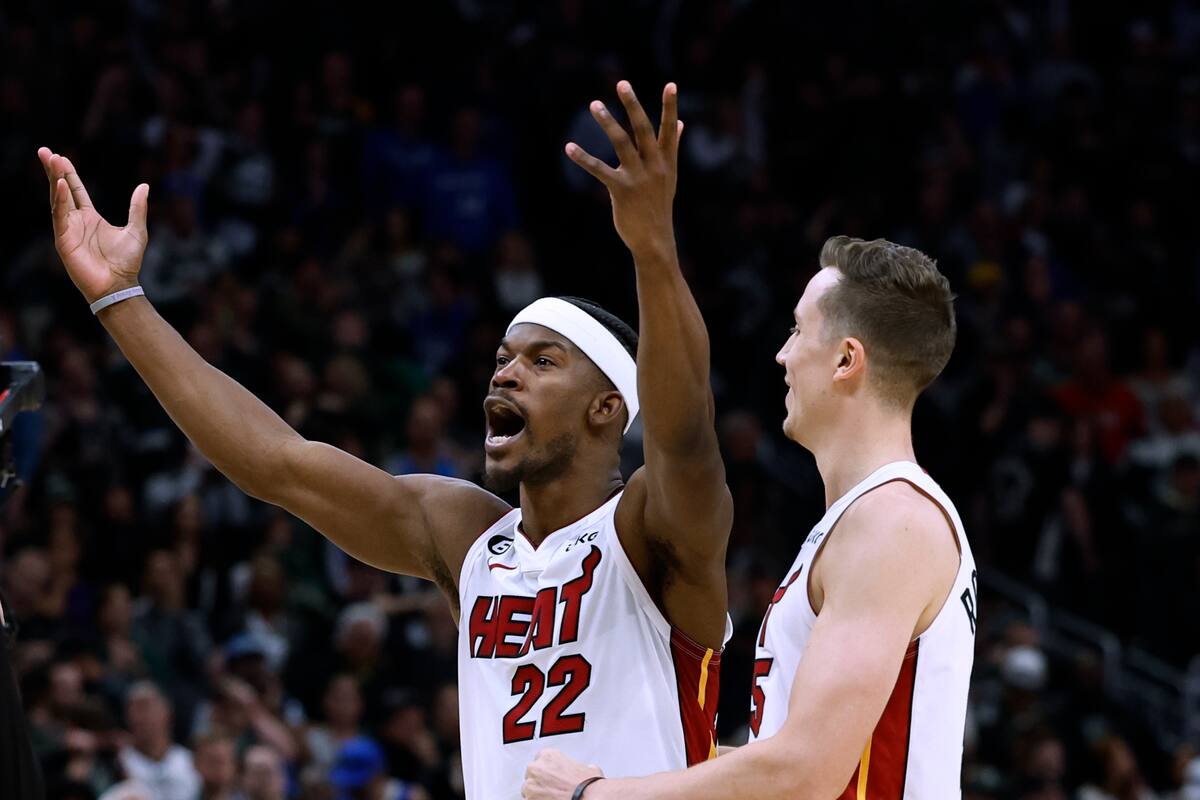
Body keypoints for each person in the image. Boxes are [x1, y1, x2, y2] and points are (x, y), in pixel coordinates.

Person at [38, 77, 732, 800]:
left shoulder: (653, 529)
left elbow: (685, 436)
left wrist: (653, 249)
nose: (506, 376)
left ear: (607, 408)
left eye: (542, 361)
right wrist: (119, 301)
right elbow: (278, 464)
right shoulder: (467, 535)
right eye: (502, 359)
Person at [523, 237, 976, 799]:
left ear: (845, 360)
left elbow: (804, 773)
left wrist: (591, 795)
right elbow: (790, 756)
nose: (782, 356)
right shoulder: (864, 520)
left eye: (797, 331)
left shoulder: (892, 522)